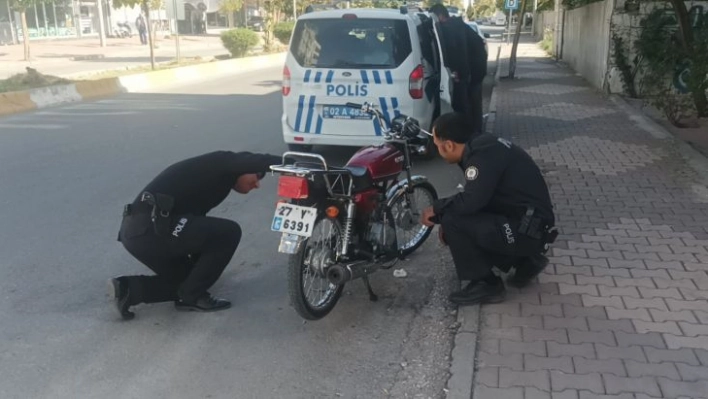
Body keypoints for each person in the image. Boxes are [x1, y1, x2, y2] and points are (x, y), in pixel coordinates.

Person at [110, 150, 283, 320]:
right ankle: (192, 298)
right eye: (258, 176)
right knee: (228, 233)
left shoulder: (217, 183)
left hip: (138, 233)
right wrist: (296, 163)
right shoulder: (222, 162)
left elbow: (197, 228)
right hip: (151, 229)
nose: (257, 184)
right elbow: (256, 160)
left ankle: (128, 289)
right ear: (243, 167)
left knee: (190, 280)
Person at [421, 113, 557, 306]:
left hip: (525, 229)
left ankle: (487, 284)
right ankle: (526, 261)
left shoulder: (481, 156)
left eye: (437, 145)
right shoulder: (484, 145)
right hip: (532, 227)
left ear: (449, 145)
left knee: (452, 219)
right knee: (457, 215)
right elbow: (482, 197)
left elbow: (470, 201)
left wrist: (437, 209)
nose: (438, 150)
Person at [428, 4, 488, 133]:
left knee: (464, 106)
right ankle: (475, 133)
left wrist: (458, 74)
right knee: (474, 106)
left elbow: (459, 53)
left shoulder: (451, 29)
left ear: (440, 16)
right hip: (476, 72)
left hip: (467, 74)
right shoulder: (459, 26)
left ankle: (468, 135)